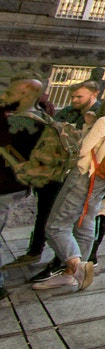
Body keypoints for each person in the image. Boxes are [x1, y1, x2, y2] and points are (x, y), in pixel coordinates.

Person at [33, 86, 105, 294]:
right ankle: (70, 274)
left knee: (56, 226)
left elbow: (83, 150)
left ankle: (76, 267)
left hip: (84, 177)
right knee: (86, 221)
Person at [0, 78, 53, 295]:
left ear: (25, 96)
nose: (4, 96)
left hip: (4, 186)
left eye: (11, 93)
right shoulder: (42, 117)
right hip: (17, 185)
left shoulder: (19, 123)